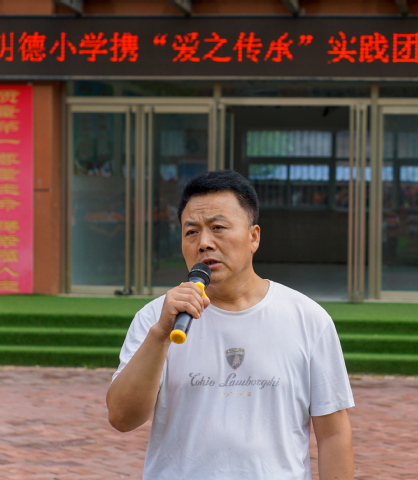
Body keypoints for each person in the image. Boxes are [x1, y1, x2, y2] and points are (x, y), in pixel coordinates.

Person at [106, 170, 354, 480]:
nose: (204, 243)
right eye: (191, 232)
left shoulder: (308, 319)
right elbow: (122, 418)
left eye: (218, 228)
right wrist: (160, 336)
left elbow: (333, 433)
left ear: (254, 237)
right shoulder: (156, 317)